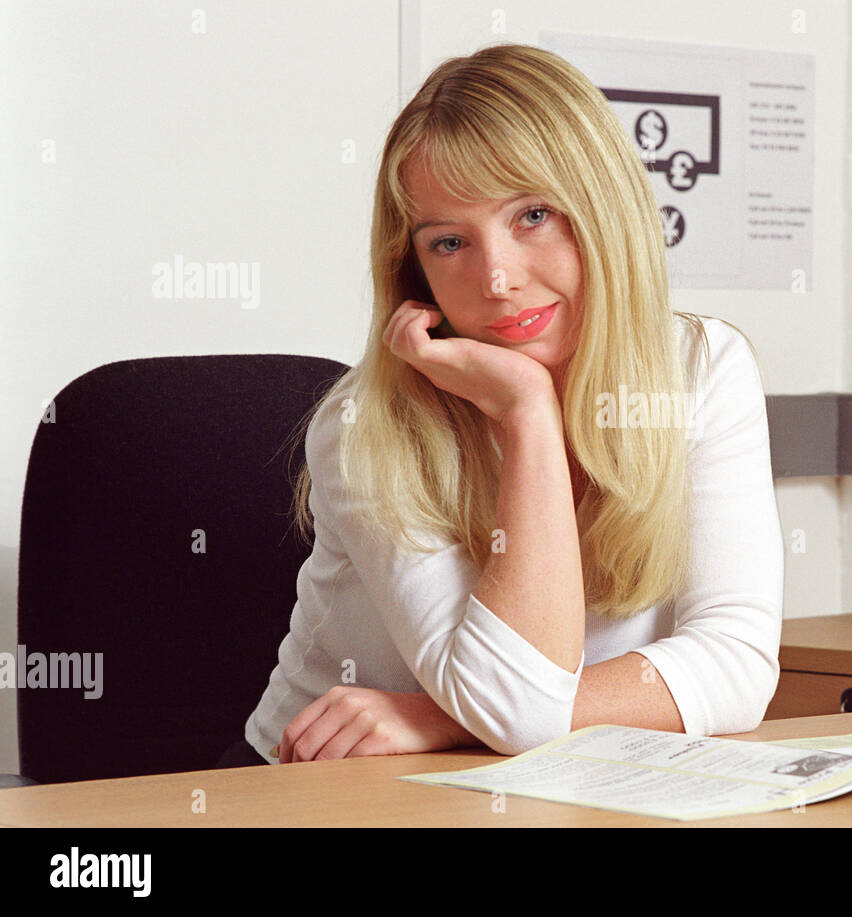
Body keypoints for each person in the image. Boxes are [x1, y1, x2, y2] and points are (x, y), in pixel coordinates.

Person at [218, 43, 783, 768]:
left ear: (604, 209)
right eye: (449, 241)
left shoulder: (701, 371)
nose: (496, 277)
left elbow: (735, 664)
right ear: (413, 268)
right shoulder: (366, 428)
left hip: (534, 775)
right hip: (315, 784)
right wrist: (529, 413)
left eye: (533, 215)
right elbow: (516, 709)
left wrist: (445, 720)